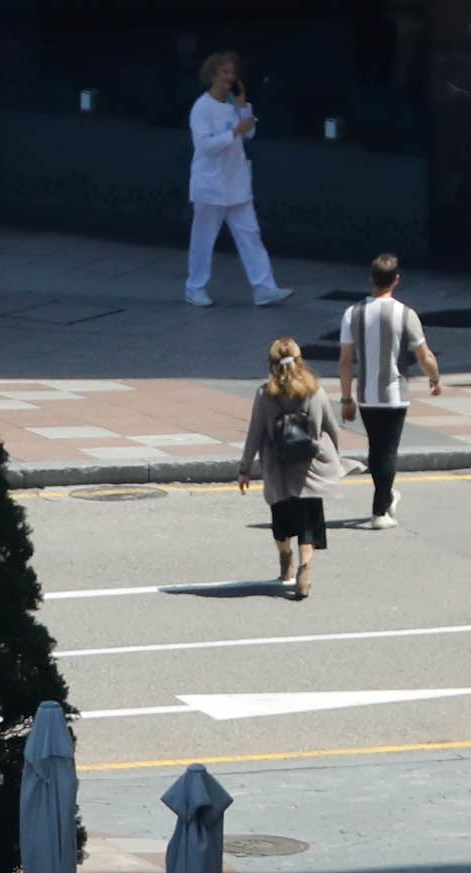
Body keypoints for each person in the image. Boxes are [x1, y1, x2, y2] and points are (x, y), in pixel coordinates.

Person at [333, 252, 443, 528]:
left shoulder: (352, 313)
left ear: (372, 278)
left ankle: (386, 496)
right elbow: (424, 355)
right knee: (388, 451)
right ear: (396, 280)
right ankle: (380, 510)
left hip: (367, 395)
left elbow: (346, 361)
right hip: (395, 395)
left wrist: (345, 397)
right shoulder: (406, 314)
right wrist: (435, 378)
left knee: (376, 449)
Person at [232, 338, 348, 600]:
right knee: (309, 522)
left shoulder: (265, 394)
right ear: (300, 361)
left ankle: (286, 558)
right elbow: (332, 427)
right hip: (309, 468)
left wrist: (244, 468)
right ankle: (305, 569)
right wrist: (335, 460)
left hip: (279, 469)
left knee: (282, 519)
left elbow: (255, 432)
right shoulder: (314, 391)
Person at [182, 52, 283, 308]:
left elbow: (250, 133)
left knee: (250, 234)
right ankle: (195, 287)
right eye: (225, 72)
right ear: (213, 75)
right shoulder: (202, 107)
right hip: (211, 186)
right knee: (204, 238)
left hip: (236, 184)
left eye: (232, 72)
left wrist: (243, 105)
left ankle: (264, 288)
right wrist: (234, 131)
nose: (230, 77)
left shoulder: (232, 104)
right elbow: (205, 146)